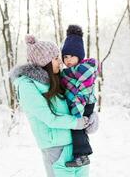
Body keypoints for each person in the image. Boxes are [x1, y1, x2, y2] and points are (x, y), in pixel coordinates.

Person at [10, 34, 97, 177]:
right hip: (56, 150)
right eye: (56, 58)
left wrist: (91, 117)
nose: (61, 62)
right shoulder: (27, 85)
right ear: (45, 61)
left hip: (76, 147)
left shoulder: (57, 79)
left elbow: (77, 101)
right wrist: (77, 123)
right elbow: (49, 118)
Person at [60, 25, 100, 167]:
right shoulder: (69, 72)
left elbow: (83, 91)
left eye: (72, 56)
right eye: (65, 56)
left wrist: (77, 115)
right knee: (78, 128)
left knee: (77, 128)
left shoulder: (85, 69)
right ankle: (81, 154)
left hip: (85, 102)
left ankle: (82, 156)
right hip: (77, 102)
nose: (68, 59)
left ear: (79, 55)